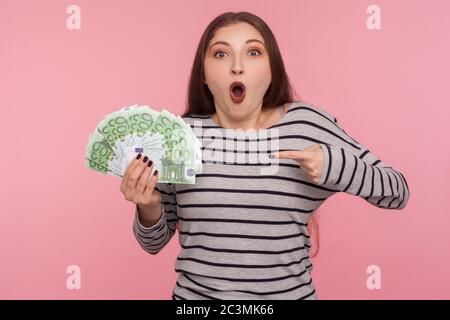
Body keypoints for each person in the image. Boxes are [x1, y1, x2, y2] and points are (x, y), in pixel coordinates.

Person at [119, 12, 410, 300]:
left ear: (272, 71)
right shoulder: (180, 135)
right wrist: (149, 206)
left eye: (253, 52)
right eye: (220, 54)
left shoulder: (306, 124)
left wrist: (334, 164)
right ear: (204, 75)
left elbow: (397, 191)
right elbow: (153, 243)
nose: (236, 67)